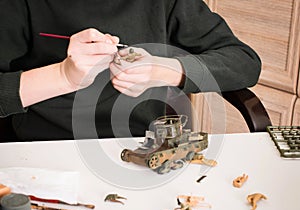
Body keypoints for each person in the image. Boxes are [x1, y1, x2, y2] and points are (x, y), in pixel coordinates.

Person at [0, 0, 261, 141]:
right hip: (41, 146)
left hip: (144, 143)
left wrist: (164, 69)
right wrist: (63, 76)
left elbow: (244, 62)